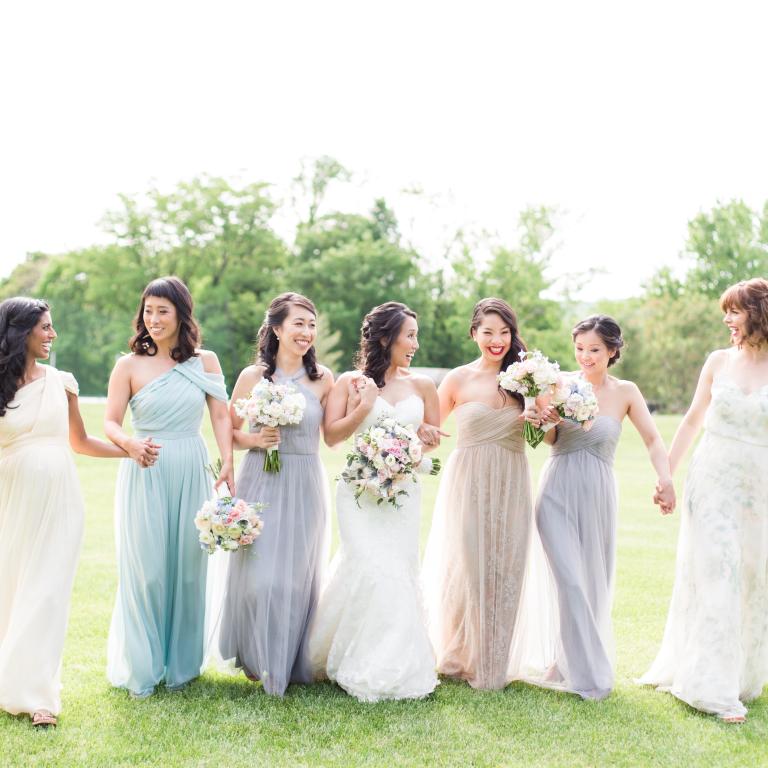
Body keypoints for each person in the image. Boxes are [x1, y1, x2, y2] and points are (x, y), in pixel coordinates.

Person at [518, 315, 675, 700]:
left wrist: (666, 478)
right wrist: (544, 420)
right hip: (557, 489)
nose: (585, 357)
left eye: (594, 350)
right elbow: (544, 439)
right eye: (579, 349)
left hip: (599, 492)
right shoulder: (558, 384)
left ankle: (565, 662)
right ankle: (578, 668)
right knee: (569, 580)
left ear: (612, 351)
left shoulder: (626, 392)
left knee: (592, 583)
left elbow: (653, 439)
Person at [639, 278, 768, 722]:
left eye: (735, 311)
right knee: (718, 570)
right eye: (725, 312)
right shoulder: (718, 361)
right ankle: (710, 686)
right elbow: (693, 420)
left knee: (753, 578)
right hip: (712, 480)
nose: (728, 320)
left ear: (759, 313)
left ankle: (740, 675)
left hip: (760, 488)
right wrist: (666, 476)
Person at [104, 276, 233, 698]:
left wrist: (228, 458)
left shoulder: (205, 361)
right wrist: (128, 443)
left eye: (163, 311)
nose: (154, 319)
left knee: (188, 569)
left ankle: (181, 666)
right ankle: (143, 665)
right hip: (146, 468)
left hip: (190, 465)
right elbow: (109, 422)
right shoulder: (128, 365)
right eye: (148, 311)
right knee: (148, 571)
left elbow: (219, 416)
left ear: (181, 314)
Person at [0, 298, 126, 727]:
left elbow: (81, 441)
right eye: (45, 328)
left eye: (52, 327)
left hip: (59, 501)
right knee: (10, 588)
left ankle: (38, 697)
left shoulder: (62, 382)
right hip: (10, 499)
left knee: (47, 591)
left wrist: (130, 451)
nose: (53, 335)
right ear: (21, 332)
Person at [309, 301, 442, 701]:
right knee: (366, 563)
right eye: (410, 335)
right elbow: (331, 438)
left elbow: (428, 440)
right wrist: (364, 406)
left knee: (397, 569)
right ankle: (350, 655)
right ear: (386, 338)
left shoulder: (423, 386)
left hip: (402, 492)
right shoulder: (350, 383)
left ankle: (392, 661)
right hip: (358, 491)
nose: (415, 343)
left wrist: (426, 441)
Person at [212, 292, 333, 695]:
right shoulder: (253, 377)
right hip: (261, 478)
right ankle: (255, 654)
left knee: (295, 579)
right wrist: (257, 439)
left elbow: (332, 435)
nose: (306, 332)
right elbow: (229, 430)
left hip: (305, 480)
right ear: (277, 329)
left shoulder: (323, 379)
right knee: (259, 577)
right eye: (298, 323)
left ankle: (284, 659)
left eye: (311, 324)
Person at [422, 297, 532, 689]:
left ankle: (492, 662)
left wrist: (539, 416)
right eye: (488, 332)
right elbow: (429, 433)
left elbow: (541, 437)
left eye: (504, 332)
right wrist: (420, 440)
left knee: (506, 566)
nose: (497, 340)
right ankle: (457, 653)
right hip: (467, 481)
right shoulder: (457, 379)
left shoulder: (527, 378)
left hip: (511, 479)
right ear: (474, 334)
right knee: (468, 564)